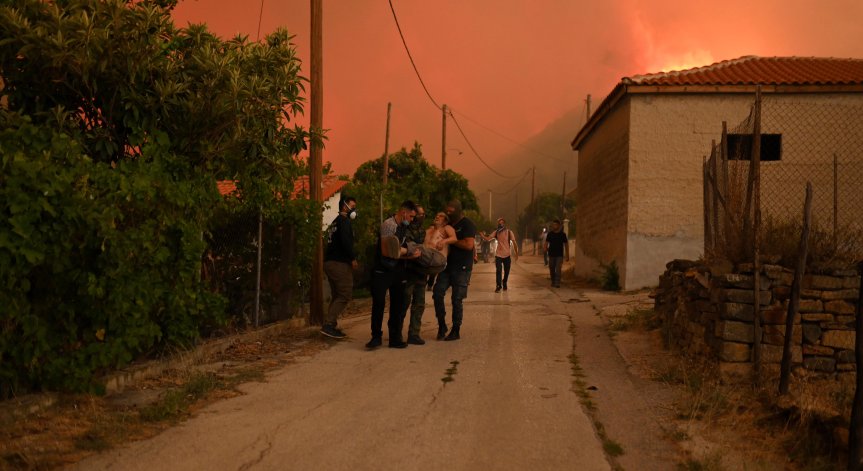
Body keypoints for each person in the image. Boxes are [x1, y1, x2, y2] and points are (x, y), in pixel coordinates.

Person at [366, 200, 420, 349]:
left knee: (397, 304)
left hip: (398, 269)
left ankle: (395, 338)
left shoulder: (404, 227)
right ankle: (376, 337)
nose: (412, 220)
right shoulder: (389, 225)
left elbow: (398, 251)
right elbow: (387, 251)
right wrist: (408, 252)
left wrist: (407, 254)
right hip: (382, 270)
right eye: (411, 216)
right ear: (404, 212)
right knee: (379, 303)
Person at [433, 200, 476, 341]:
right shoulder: (448, 224)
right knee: (437, 293)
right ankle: (442, 325)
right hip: (446, 267)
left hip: (462, 268)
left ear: (458, 210)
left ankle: (456, 330)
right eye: (447, 210)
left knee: (457, 299)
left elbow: (469, 245)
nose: (448, 212)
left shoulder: (467, 224)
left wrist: (452, 240)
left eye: (451, 210)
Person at [321, 197, 358, 339]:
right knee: (345, 294)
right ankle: (328, 324)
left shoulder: (335, 221)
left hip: (329, 262)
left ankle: (330, 325)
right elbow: (346, 241)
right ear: (344, 207)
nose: (354, 210)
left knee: (337, 295)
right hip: (339, 263)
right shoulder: (344, 221)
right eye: (352, 206)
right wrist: (352, 258)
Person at [403, 204, 428, 345]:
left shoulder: (422, 230)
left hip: (420, 270)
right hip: (407, 270)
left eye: (423, 214)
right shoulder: (405, 228)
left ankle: (414, 333)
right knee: (404, 302)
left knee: (419, 303)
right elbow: (409, 246)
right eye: (419, 214)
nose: (421, 217)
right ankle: (396, 332)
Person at [482, 217, 518, 293]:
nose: (500, 224)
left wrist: (516, 253)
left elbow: (514, 243)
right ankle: (498, 286)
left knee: (507, 271)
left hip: (507, 255)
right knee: (498, 270)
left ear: (504, 224)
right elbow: (488, 239)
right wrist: (482, 235)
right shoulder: (496, 232)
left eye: (501, 223)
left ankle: (504, 281)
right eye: (499, 223)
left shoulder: (509, 232)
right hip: (498, 255)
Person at [545, 219, 569, 288]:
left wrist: (567, 255)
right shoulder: (550, 234)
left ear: (559, 225)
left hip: (559, 255)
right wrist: (545, 248)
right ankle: (553, 281)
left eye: (555, 225)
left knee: (558, 269)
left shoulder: (563, 235)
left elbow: (566, 245)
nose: (554, 226)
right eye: (553, 225)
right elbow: (546, 243)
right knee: (551, 268)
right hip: (551, 254)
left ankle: (557, 282)